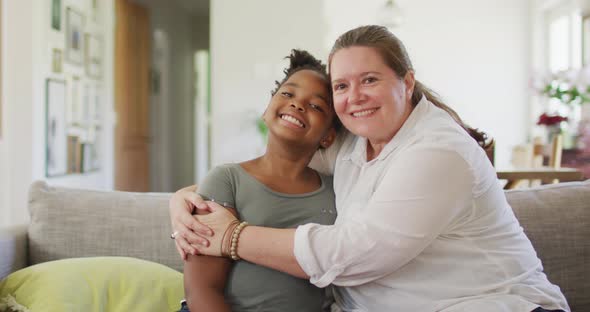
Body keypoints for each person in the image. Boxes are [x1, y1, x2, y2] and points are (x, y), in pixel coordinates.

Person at [170, 25, 569, 312]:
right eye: (342, 86)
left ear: (406, 82)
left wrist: (233, 237)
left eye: (370, 80)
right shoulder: (353, 144)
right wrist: (188, 199)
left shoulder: (439, 152)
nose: (354, 96)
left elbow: (355, 254)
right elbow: (275, 168)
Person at [174, 49, 340, 312]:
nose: (297, 104)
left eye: (316, 105)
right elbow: (201, 291)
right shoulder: (226, 179)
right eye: (287, 93)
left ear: (328, 137)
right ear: (266, 110)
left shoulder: (337, 192)